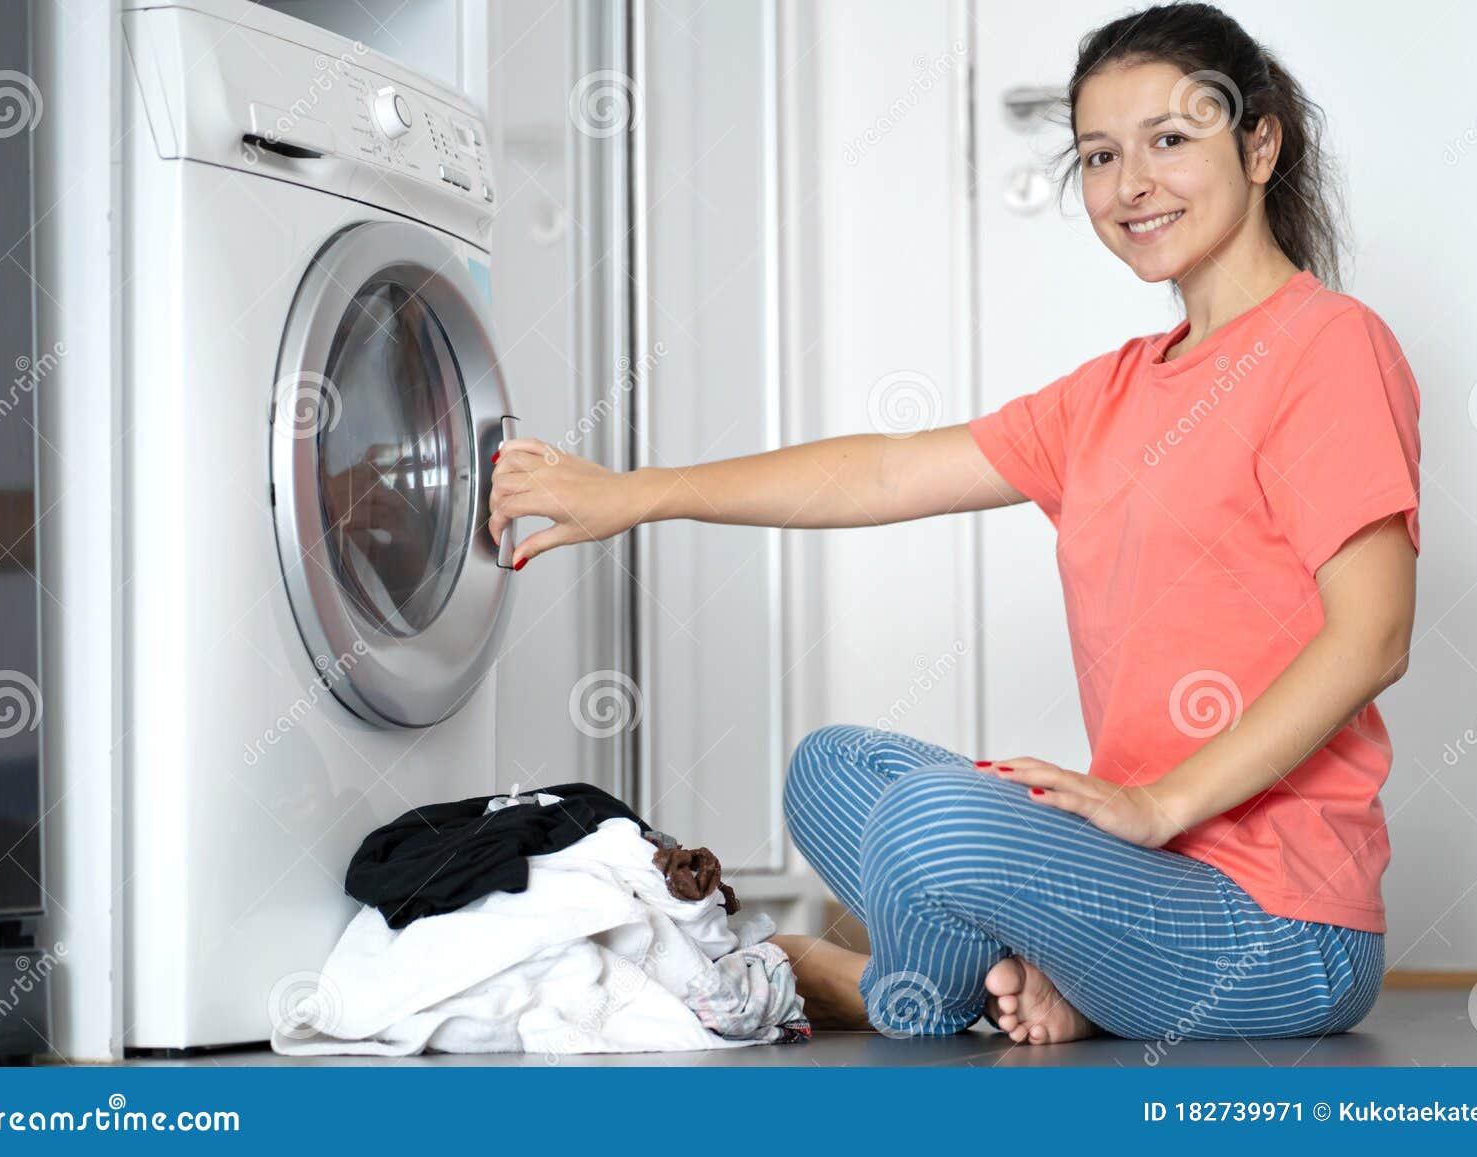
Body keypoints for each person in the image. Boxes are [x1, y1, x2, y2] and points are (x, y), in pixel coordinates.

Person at [485, 1, 1420, 1044]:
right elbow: (880, 473)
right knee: (833, 766)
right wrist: (638, 491)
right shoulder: (1109, 394)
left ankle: (886, 988)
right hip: (1136, 885)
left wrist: (1159, 802)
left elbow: (1371, 636)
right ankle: (1036, 983)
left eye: (1169, 140)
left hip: (1281, 931)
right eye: (1101, 155)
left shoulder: (1327, 346)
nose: (1132, 184)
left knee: (937, 821)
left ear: (1258, 144)